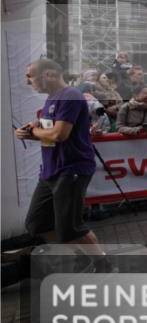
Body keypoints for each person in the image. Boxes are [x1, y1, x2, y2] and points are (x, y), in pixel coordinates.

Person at [15, 59, 110, 269]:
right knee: (36, 223)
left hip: (71, 169)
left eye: (30, 75)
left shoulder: (71, 96)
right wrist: (28, 134)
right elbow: (50, 136)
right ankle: (82, 256)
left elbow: (59, 134)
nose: (27, 81)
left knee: (71, 227)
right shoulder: (52, 99)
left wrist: (33, 131)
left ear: (48, 74)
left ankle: (103, 264)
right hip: (52, 170)